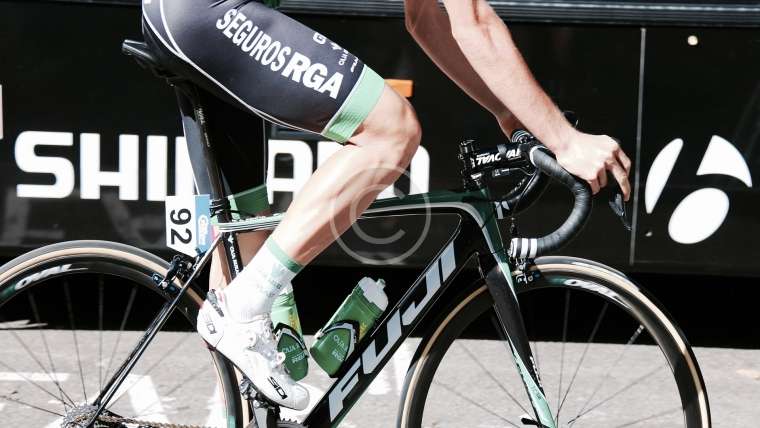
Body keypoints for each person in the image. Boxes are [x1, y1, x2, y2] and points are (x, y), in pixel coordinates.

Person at [142, 0, 632, 410]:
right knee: (392, 130)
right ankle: (243, 309)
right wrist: (563, 139)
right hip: (209, 14)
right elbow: (472, 20)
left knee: (245, 246)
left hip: (197, 18)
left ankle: (230, 400)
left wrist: (511, 113)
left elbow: (426, 17)